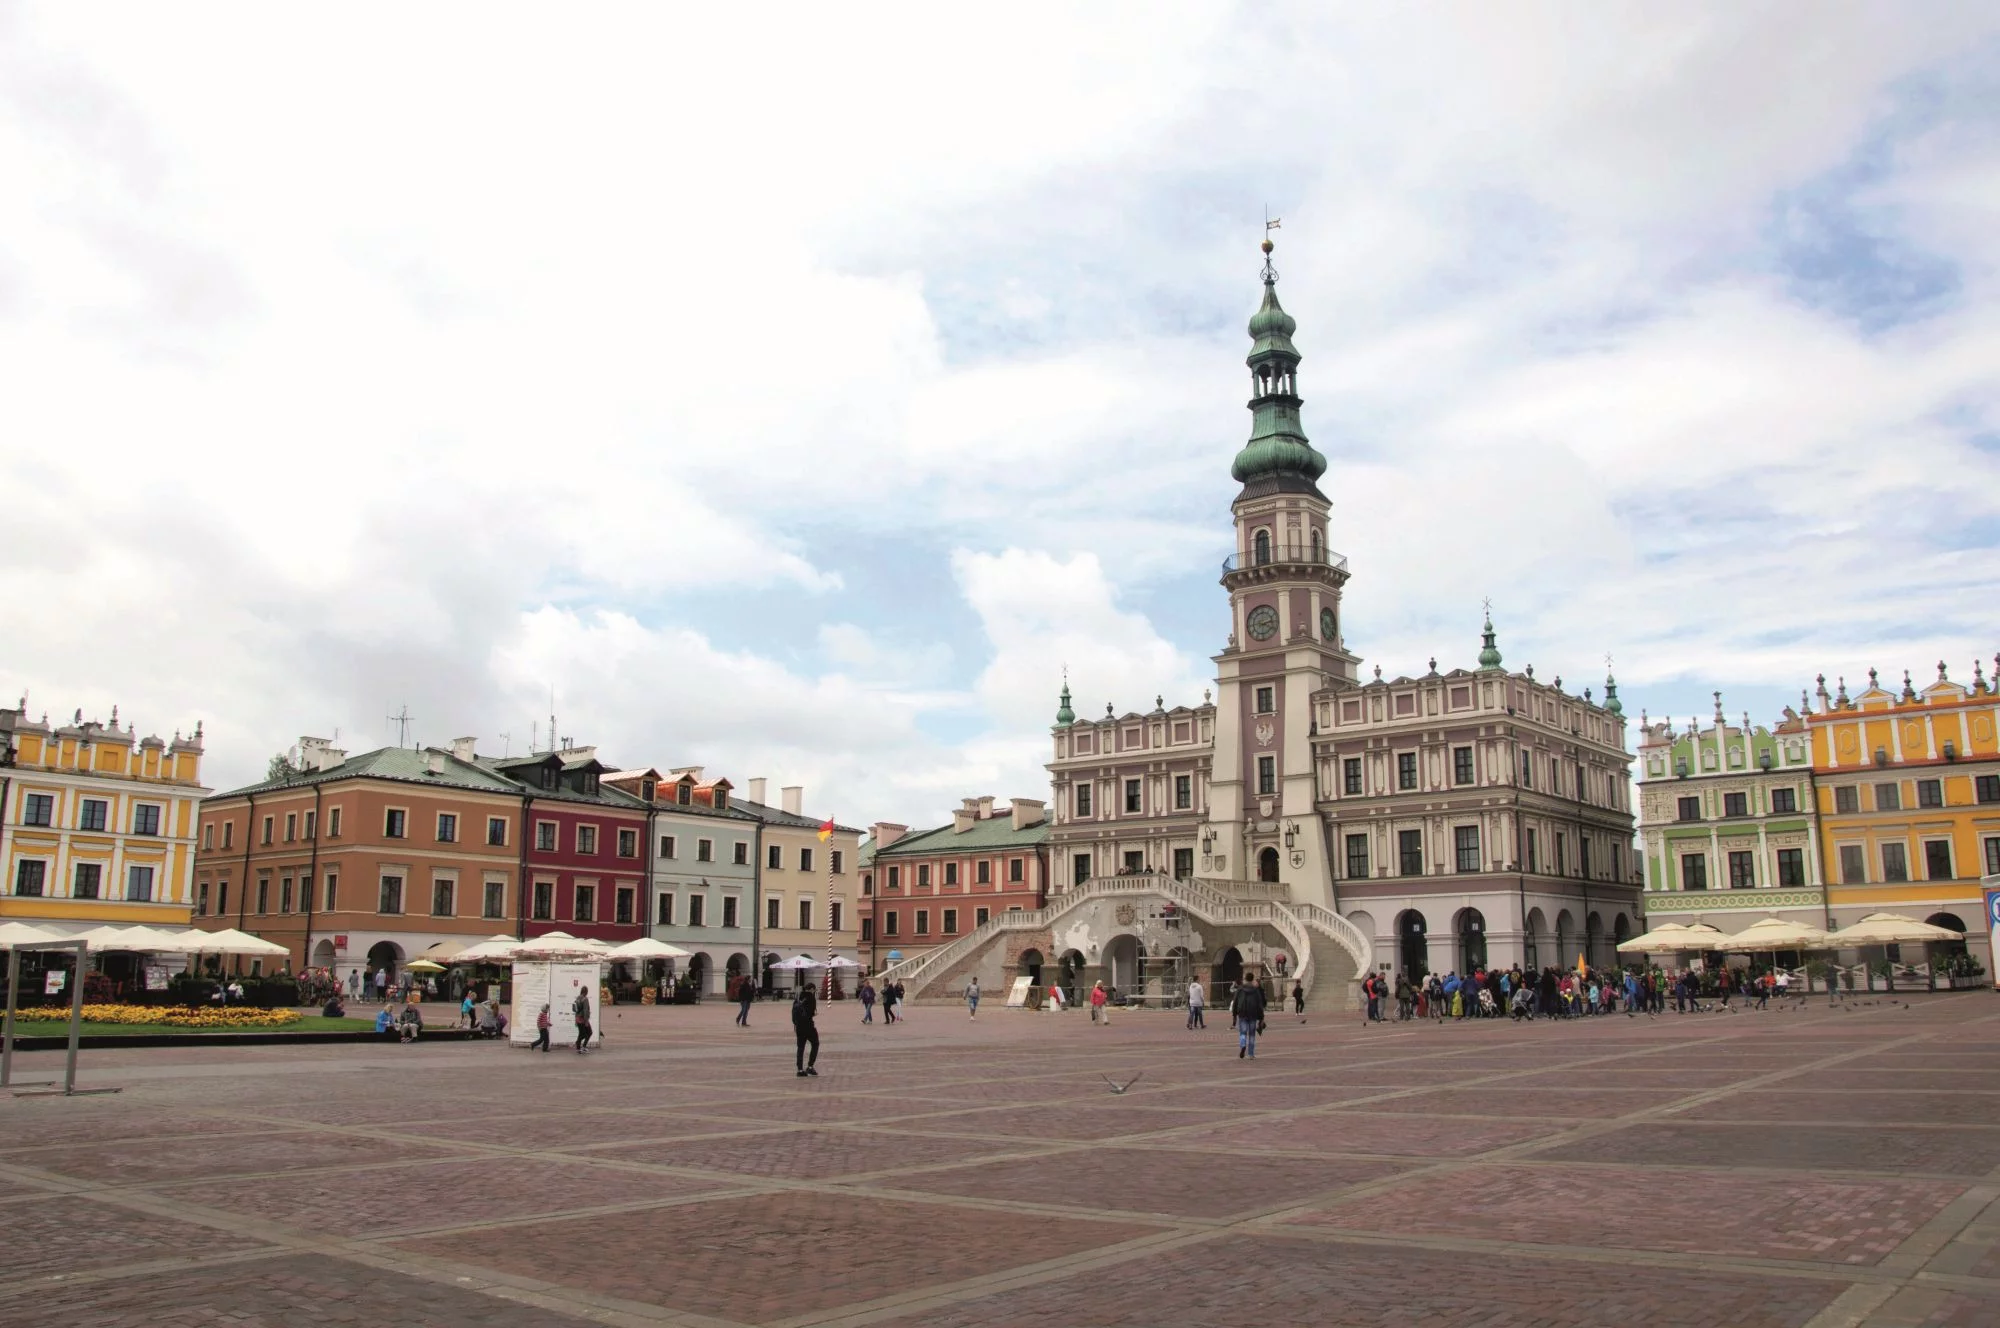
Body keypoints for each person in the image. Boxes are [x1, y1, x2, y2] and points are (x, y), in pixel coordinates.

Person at [1230, 973, 1266, 1059]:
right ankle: (1251, 1054)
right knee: (1252, 1034)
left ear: (1245, 979)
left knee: (1243, 1032)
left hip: (1242, 1013)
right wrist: (1261, 1017)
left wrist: (1234, 1014)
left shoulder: (1240, 989)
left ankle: (1243, 1044)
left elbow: (1235, 1002)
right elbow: (1259, 1004)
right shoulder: (1255, 990)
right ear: (1252, 979)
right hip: (1253, 1013)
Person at [792, 982, 820, 1076]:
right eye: (814, 990)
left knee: (800, 1047)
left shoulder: (798, 997)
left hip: (798, 1026)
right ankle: (810, 1066)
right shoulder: (811, 998)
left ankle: (799, 1069)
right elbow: (811, 1012)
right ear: (812, 989)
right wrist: (814, 1013)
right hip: (808, 1025)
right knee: (815, 1043)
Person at [572, 987, 593, 1053]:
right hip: (583, 1019)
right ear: (586, 992)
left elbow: (575, 1010)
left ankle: (580, 1047)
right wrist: (586, 1021)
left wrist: (576, 1020)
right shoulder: (585, 999)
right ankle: (581, 1046)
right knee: (588, 1033)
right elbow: (586, 1011)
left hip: (578, 1018)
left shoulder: (577, 998)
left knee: (582, 1033)